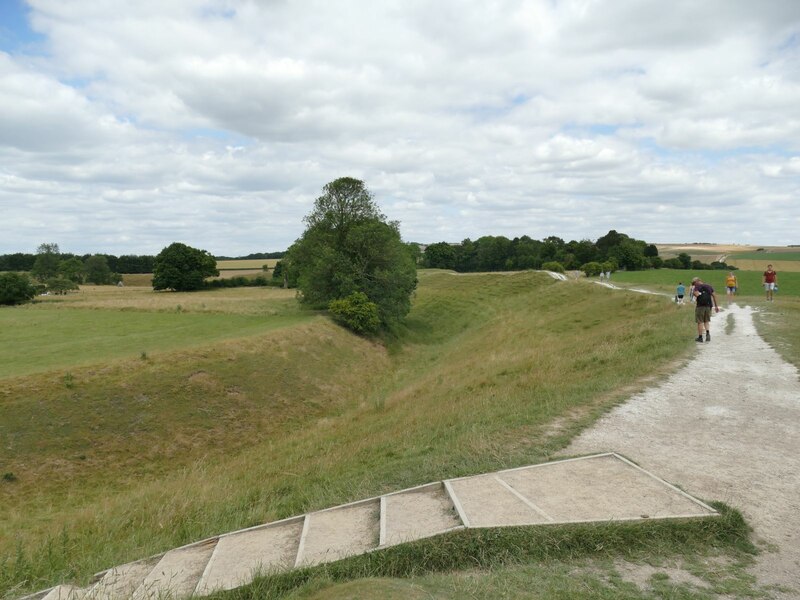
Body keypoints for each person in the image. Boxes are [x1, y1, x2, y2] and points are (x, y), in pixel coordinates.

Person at [692, 277, 719, 342]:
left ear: (697, 281)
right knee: (706, 321)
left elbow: (696, 295)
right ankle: (707, 334)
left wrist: (694, 292)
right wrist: (716, 306)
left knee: (700, 322)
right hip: (708, 306)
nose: (694, 285)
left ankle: (700, 337)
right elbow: (714, 296)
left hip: (700, 306)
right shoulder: (709, 286)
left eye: (694, 283)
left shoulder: (697, 286)